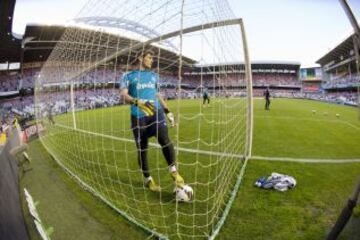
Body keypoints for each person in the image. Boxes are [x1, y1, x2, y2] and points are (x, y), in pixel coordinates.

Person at [120, 49, 185, 192]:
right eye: (149, 57)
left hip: (156, 113)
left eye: (152, 58)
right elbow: (123, 96)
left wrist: (168, 111)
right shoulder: (127, 76)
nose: (152, 60)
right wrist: (137, 102)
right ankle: (148, 180)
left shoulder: (153, 76)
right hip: (138, 116)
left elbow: (157, 94)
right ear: (140, 58)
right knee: (142, 149)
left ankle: (173, 170)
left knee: (164, 138)